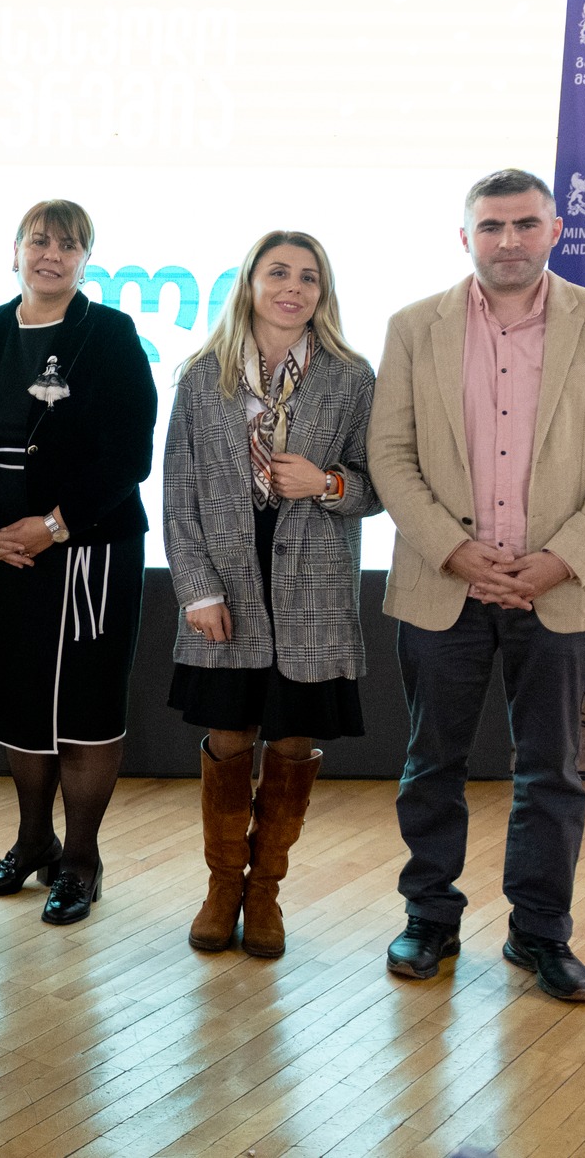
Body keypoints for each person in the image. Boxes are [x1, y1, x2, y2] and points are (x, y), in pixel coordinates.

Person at [370, 168, 585, 1002]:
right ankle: (429, 918)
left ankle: (540, 932)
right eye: (491, 226)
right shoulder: (413, 326)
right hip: (444, 584)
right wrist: (454, 551)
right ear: (466, 237)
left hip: (560, 588)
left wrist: (561, 558)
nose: (509, 240)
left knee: (551, 771)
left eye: (526, 223)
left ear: (555, 230)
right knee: (432, 762)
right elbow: (391, 454)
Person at [163, 231, 380, 958]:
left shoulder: (352, 377)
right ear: (250, 284)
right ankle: (223, 885)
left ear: (324, 292)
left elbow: (375, 486)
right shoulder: (204, 376)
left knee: (291, 740)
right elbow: (179, 497)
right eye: (278, 272)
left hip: (312, 588)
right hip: (227, 582)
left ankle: (265, 893)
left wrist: (325, 482)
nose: (293, 287)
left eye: (309, 277)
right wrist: (196, 590)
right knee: (229, 736)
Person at [0, 199, 156, 926]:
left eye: (69, 245)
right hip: (3, 550)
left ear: (85, 259)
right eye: (39, 241)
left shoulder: (109, 333)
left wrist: (51, 526)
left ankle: (80, 859)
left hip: (88, 550)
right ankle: (32, 841)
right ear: (15, 250)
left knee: (83, 709)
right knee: (19, 704)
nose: (52, 254)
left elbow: (130, 453)